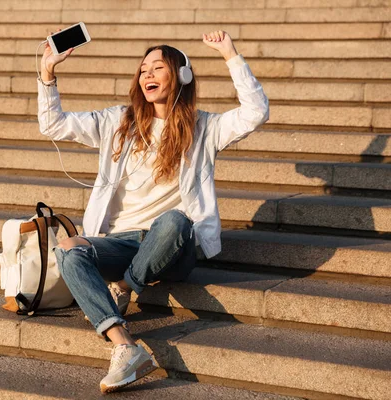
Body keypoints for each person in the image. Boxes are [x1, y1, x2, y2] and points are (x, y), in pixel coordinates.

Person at [37, 30, 269, 393]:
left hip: (172, 245)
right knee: (67, 249)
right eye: (143, 69)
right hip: (121, 242)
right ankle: (126, 347)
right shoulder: (118, 122)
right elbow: (53, 124)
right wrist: (48, 73)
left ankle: (125, 286)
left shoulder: (205, 127)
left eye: (157, 68)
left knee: (176, 220)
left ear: (180, 76)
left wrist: (230, 55)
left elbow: (256, 112)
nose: (147, 75)